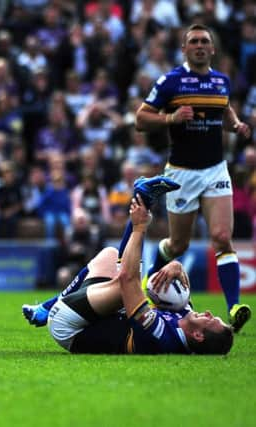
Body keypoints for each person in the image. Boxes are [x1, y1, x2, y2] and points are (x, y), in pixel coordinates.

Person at [24, 181, 234, 355]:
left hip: (70, 328)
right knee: (110, 255)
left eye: (211, 320)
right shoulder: (186, 317)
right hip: (101, 314)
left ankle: (143, 199)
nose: (207, 312)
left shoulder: (162, 337)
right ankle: (47, 306)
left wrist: (139, 227)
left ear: (198, 335)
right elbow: (163, 289)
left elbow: (129, 280)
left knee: (121, 285)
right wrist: (176, 267)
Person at [135, 23, 252, 333]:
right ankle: (150, 283)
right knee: (178, 245)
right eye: (194, 41)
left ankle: (234, 307)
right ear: (184, 49)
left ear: (212, 49)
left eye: (205, 41)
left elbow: (224, 112)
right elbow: (140, 119)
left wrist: (237, 124)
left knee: (221, 237)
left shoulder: (221, 81)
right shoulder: (171, 81)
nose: (200, 45)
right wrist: (171, 117)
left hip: (215, 169)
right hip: (182, 173)